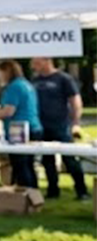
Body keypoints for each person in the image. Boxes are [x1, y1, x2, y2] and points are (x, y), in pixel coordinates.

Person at [31, 57, 89, 200]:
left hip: (61, 125)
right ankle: (53, 190)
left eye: (37, 63)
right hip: (42, 125)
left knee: (69, 159)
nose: (34, 66)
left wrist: (75, 122)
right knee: (47, 160)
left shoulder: (63, 78)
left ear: (47, 61)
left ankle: (81, 190)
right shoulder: (35, 80)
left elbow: (75, 101)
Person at [0, 60, 42, 188]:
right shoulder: (26, 85)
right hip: (33, 127)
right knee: (28, 165)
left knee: (21, 165)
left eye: (0, 73)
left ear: (7, 72)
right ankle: (33, 195)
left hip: (19, 130)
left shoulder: (14, 87)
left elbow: (9, 111)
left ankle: (24, 195)